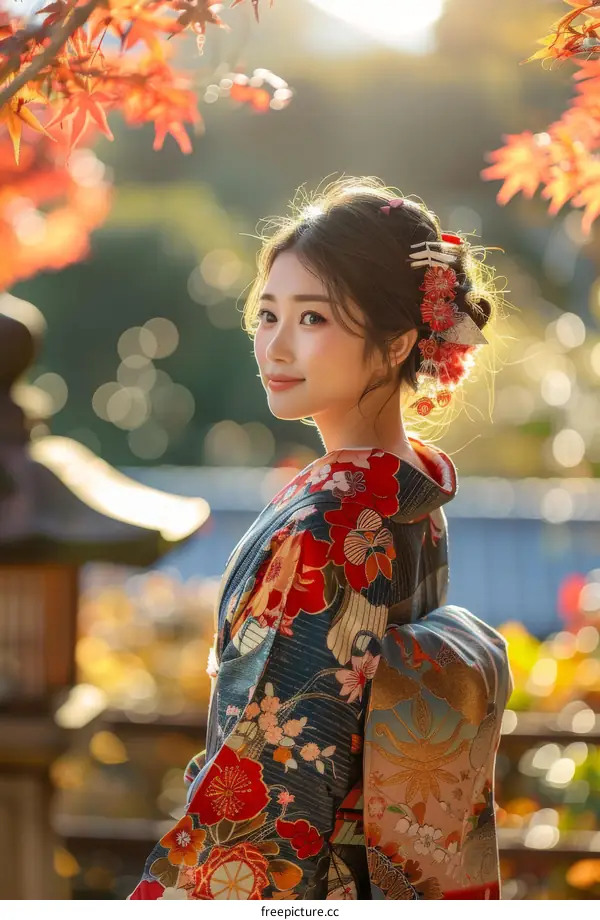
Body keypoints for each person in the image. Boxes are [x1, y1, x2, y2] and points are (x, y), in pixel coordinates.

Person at [128, 177, 514, 900]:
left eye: (312, 319)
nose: (274, 344)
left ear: (398, 341)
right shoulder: (414, 490)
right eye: (267, 314)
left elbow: (274, 791)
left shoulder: (329, 527)